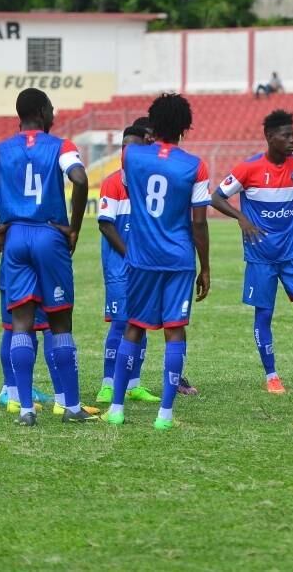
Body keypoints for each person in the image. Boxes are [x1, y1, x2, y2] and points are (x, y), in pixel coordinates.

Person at [0, 88, 95, 426]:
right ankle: (71, 407)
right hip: (49, 234)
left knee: (20, 323)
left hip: (15, 236)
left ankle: (26, 409)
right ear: (44, 111)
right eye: (52, 110)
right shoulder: (61, 145)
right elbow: (79, 178)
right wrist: (73, 228)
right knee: (59, 322)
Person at [103, 93, 210, 431]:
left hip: (142, 257)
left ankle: (117, 408)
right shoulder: (196, 165)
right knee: (174, 331)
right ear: (185, 128)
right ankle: (164, 414)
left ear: (152, 124)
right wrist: (205, 266)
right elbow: (199, 222)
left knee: (133, 327)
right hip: (179, 258)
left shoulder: (133, 155)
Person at [212, 109, 293, 394]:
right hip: (260, 257)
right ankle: (272, 376)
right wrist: (241, 218)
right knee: (264, 315)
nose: (292, 140)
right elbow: (216, 197)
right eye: (286, 135)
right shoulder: (248, 169)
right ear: (269, 137)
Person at [0, 192, 64, 415]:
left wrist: (1, 249)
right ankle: (59, 398)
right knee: (46, 327)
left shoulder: (8, 184)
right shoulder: (37, 181)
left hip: (18, 261)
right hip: (35, 262)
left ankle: (14, 392)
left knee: (17, 327)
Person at [95, 119, 160, 405]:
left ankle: (133, 383)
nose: (126, 153)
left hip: (146, 265)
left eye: (131, 148)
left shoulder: (152, 183)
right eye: (123, 148)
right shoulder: (112, 182)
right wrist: (131, 254)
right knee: (121, 323)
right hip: (120, 265)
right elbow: (106, 225)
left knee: (141, 322)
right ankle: (108, 383)